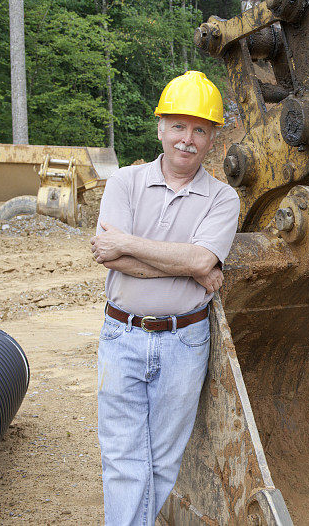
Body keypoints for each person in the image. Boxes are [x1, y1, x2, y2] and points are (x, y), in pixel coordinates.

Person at [90, 71, 240, 525]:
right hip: (123, 335)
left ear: (212, 137)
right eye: (178, 126)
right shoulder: (124, 184)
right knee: (122, 461)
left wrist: (129, 245)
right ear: (160, 128)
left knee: (160, 463)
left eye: (199, 129)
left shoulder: (223, 197)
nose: (187, 139)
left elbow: (196, 259)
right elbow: (112, 258)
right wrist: (191, 266)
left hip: (184, 343)